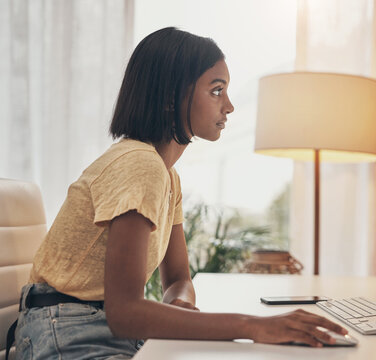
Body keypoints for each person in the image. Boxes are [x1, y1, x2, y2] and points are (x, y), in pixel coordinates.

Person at [13, 27, 347, 360]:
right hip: (68, 330)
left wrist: (181, 307)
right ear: (172, 98)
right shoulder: (139, 165)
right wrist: (252, 326)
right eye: (216, 91)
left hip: (98, 328)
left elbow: (177, 279)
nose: (229, 106)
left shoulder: (166, 175)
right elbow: (125, 312)